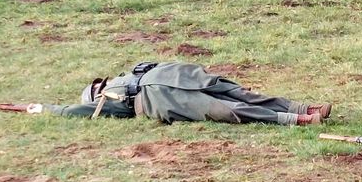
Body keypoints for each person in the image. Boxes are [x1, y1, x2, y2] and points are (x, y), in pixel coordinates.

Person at [26, 61, 331, 126]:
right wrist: (41, 108)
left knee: (241, 93)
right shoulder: (105, 105)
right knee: (226, 111)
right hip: (163, 100)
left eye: (97, 85)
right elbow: (71, 111)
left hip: (176, 75)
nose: (99, 88)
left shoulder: (126, 74)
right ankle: (295, 118)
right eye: (95, 90)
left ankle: (305, 106)